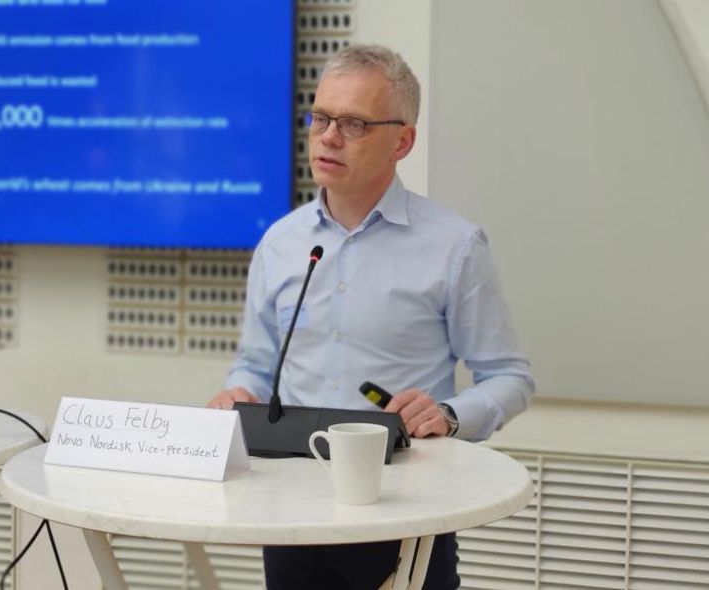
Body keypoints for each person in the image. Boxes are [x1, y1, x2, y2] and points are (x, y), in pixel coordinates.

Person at [207, 44, 534, 590]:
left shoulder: (453, 247)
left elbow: (510, 378)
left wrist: (449, 415)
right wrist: (236, 393)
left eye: (354, 124)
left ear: (402, 141)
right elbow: (255, 367)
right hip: (290, 511)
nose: (329, 137)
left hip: (406, 512)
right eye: (321, 118)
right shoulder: (281, 244)